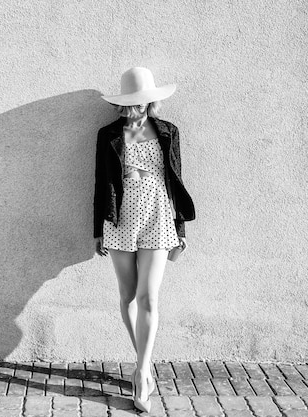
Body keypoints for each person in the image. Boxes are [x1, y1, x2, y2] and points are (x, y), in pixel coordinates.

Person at [93, 67, 196, 413]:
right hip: (120, 220)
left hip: (159, 217)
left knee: (148, 296)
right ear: (122, 102)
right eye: (130, 102)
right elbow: (100, 183)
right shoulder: (108, 134)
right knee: (127, 296)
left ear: (150, 100)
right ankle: (146, 361)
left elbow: (175, 179)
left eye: (141, 101)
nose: (136, 107)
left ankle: (140, 373)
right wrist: (98, 229)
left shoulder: (168, 132)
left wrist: (180, 229)